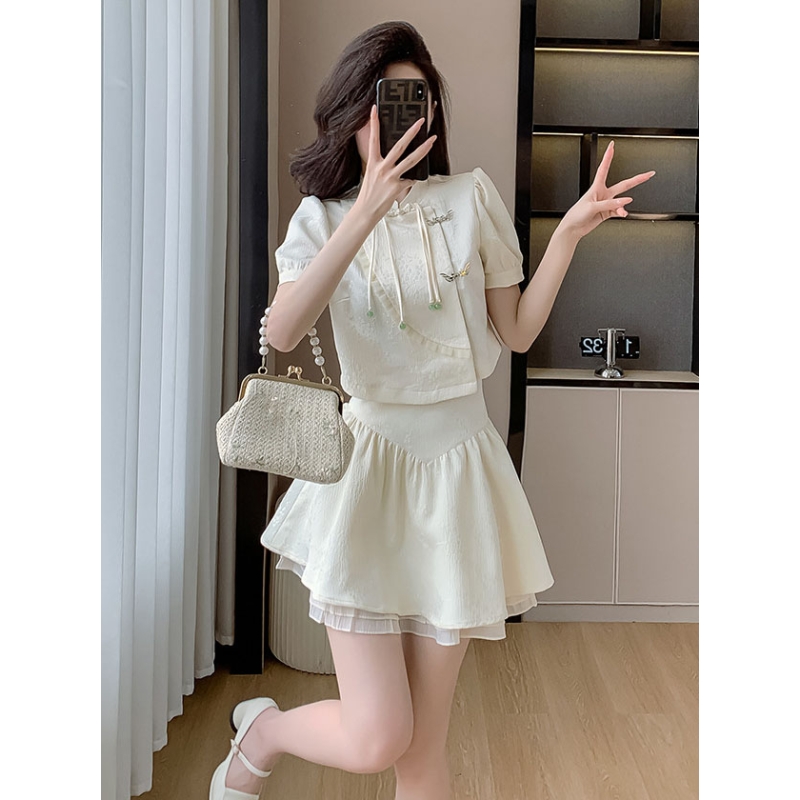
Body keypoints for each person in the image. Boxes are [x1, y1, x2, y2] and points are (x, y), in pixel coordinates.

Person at [210, 20, 654, 800]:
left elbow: (516, 334)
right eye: (387, 102)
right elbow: (281, 331)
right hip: (366, 472)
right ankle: (264, 734)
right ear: (355, 112)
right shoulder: (322, 217)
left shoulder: (469, 198)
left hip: (458, 471)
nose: (404, 118)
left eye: (418, 101)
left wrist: (568, 235)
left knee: (421, 752)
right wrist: (365, 209)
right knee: (378, 735)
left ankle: (268, 733)